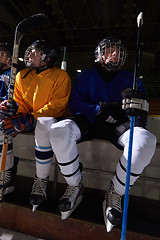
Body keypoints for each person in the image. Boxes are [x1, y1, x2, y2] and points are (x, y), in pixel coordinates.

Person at [45, 37, 156, 230]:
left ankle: (116, 192)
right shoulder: (85, 76)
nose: (113, 54)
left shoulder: (132, 79)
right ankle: (75, 185)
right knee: (57, 131)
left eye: (117, 52)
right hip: (90, 121)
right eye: (108, 51)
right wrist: (99, 109)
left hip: (118, 126)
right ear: (98, 55)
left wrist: (135, 112)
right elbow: (75, 104)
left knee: (146, 141)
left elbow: (142, 113)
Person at [0, 40, 71, 211]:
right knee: (2, 124)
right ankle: (6, 175)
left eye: (36, 52)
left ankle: (41, 180)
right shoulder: (21, 75)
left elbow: (57, 106)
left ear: (48, 58)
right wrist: (14, 108)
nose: (30, 55)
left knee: (43, 125)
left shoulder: (61, 75)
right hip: (28, 118)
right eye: (30, 51)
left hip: (48, 120)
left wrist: (31, 118)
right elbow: (21, 102)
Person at [0, 42, 19, 195]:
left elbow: (16, 100)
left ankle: (6, 175)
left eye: (2, 54)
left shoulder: (15, 74)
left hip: (10, 113)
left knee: (2, 127)